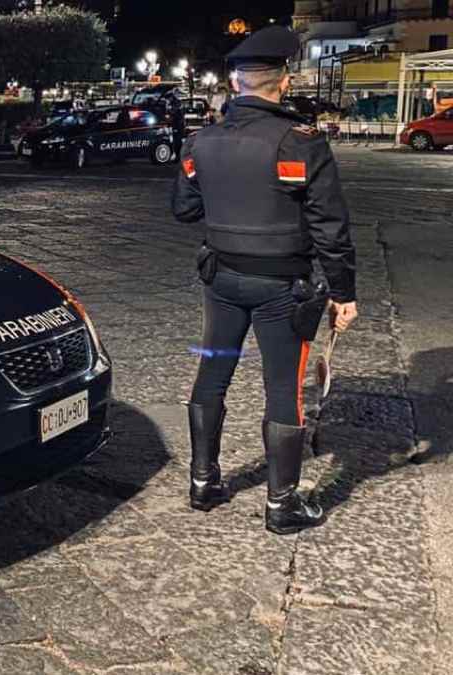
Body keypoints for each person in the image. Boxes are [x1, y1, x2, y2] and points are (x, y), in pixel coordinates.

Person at [171, 26, 358, 535]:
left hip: (222, 283)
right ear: (284, 82)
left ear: (234, 83)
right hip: (283, 290)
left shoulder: (199, 142)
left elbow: (184, 211)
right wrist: (343, 293)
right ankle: (281, 505)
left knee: (211, 374)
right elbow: (330, 228)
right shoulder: (301, 143)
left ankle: (203, 482)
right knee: (284, 390)